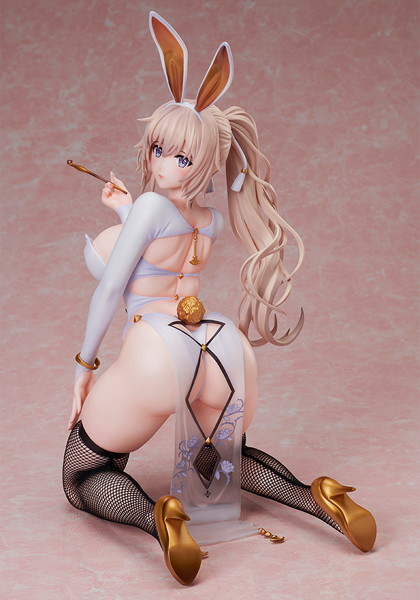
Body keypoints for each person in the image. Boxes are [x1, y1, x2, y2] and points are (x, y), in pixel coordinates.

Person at [63, 12, 376, 586]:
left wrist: (84, 366)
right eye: (159, 148)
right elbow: (165, 251)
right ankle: (316, 497)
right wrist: (123, 209)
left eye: (179, 157)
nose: (161, 163)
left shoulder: (151, 207)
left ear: (204, 163)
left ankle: (159, 520)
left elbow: (113, 286)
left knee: (83, 472)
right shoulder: (208, 221)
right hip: (217, 344)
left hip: (156, 347)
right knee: (225, 459)